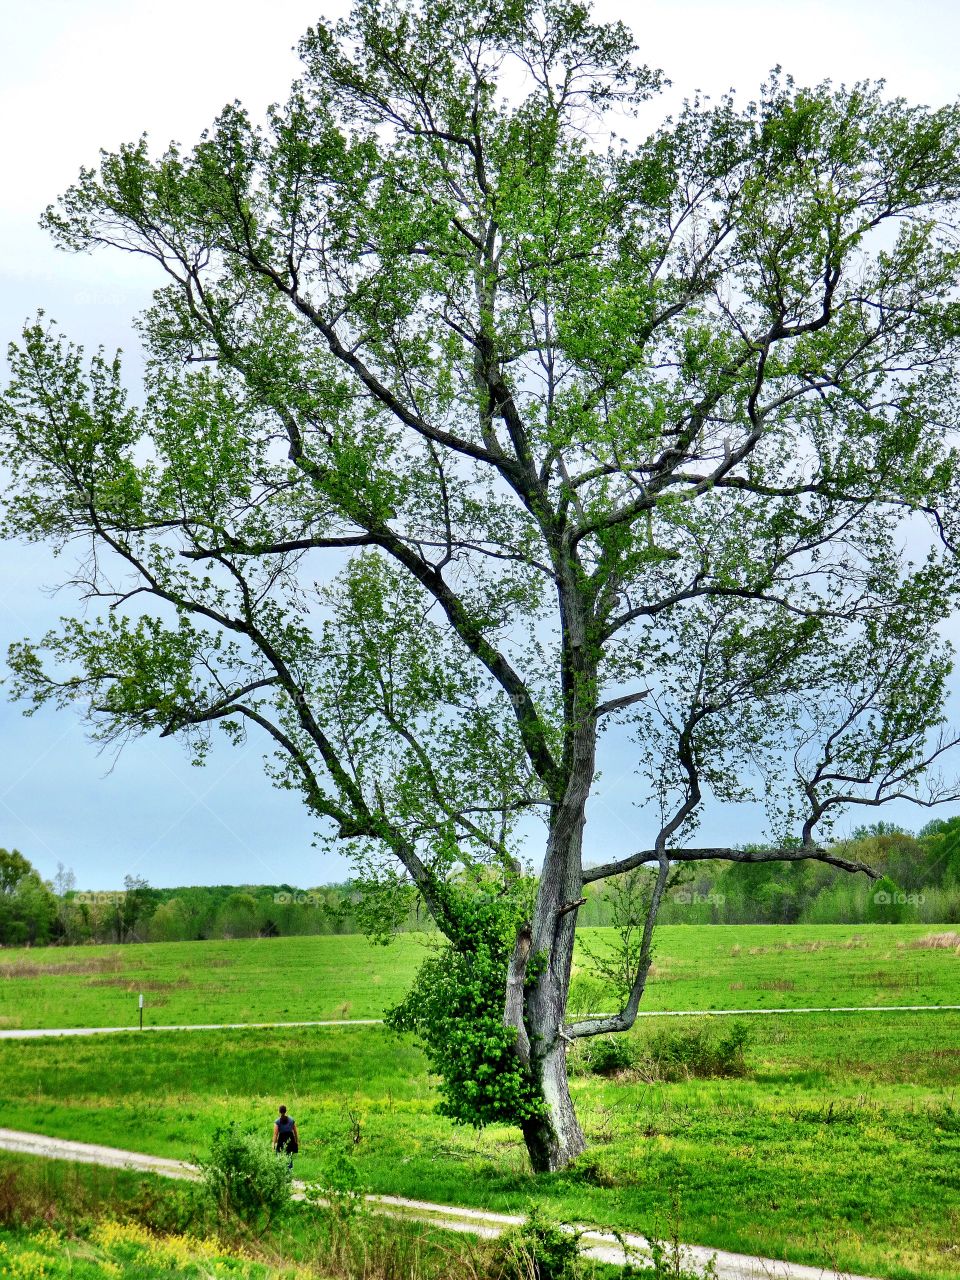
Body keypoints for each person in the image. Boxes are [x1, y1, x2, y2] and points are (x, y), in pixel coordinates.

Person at [272, 1104, 299, 1170]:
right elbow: (295, 1132)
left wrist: (273, 1144)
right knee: (289, 1155)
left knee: (279, 1154)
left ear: (279, 1111)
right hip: (290, 1139)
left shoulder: (277, 1122)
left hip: (282, 1139)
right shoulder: (292, 1120)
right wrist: (296, 1141)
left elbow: (275, 1134)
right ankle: (289, 1170)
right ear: (286, 1111)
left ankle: (281, 1169)